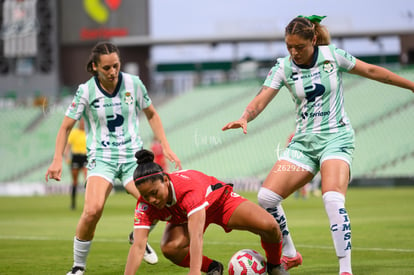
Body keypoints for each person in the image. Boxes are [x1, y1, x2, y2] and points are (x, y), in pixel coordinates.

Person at [222, 15, 414, 275]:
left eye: (299, 47)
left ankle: (345, 270)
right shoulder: (283, 67)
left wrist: (411, 86)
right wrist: (245, 117)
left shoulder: (333, 56)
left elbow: (371, 70)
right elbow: (261, 98)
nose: (293, 52)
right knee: (266, 198)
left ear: (313, 40)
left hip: (336, 139)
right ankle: (290, 254)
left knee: (332, 199)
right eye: (289, 47)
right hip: (303, 145)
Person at [45, 41, 181, 275]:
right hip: (102, 157)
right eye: (107, 68)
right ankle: (78, 267)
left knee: (161, 202)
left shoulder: (134, 84)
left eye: (116, 66)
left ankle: (136, 234)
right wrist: (57, 159)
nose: (113, 72)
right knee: (92, 210)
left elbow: (152, 114)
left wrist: (165, 146)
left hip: (133, 158)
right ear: (95, 67)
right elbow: (66, 126)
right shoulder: (86, 90)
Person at [124, 149, 288, 275]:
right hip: (184, 215)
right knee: (170, 248)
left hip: (219, 202)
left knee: (270, 226)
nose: (152, 200)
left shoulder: (187, 190)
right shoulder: (145, 205)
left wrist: (194, 272)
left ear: (165, 180)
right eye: (146, 196)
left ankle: (274, 266)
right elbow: (138, 246)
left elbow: (196, 235)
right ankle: (213, 267)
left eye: (154, 193)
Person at [64, 118, 88, 210]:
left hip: (85, 157)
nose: (82, 124)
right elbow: (68, 145)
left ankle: (88, 203)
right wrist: (66, 156)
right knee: (75, 181)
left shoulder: (88, 132)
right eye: (81, 122)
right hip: (76, 157)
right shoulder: (74, 133)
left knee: (87, 180)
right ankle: (73, 203)